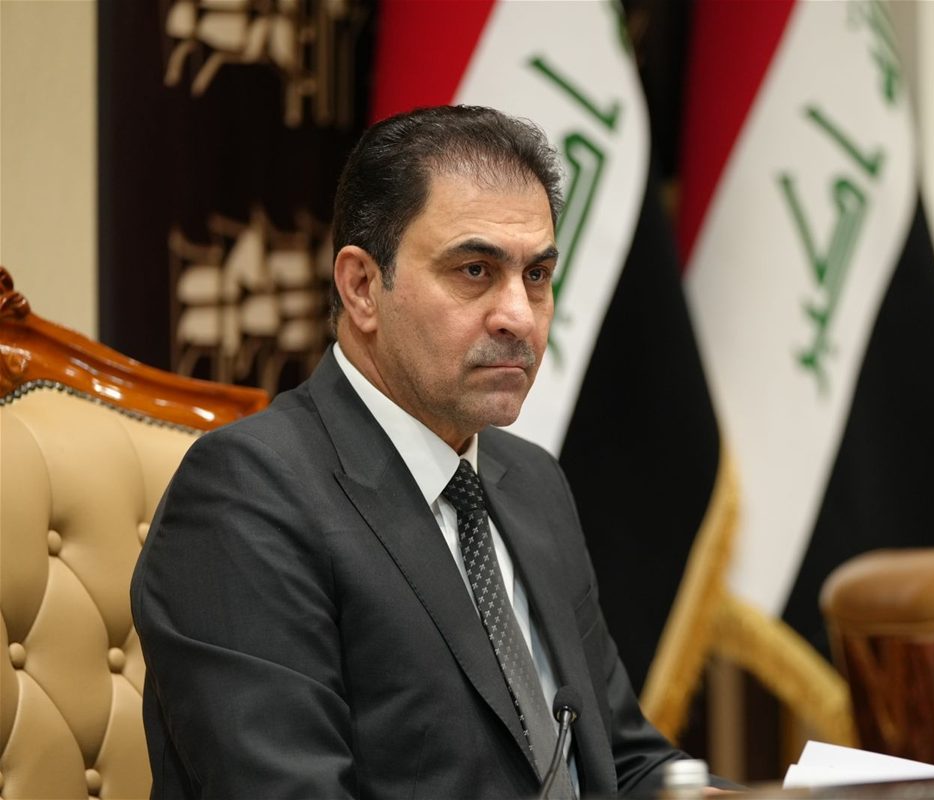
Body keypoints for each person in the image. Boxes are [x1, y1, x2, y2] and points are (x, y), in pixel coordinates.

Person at [132, 105, 721, 799]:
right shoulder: (246, 495)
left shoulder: (530, 480)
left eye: (536, 275)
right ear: (361, 287)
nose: (519, 316)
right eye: (475, 270)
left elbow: (623, 762)